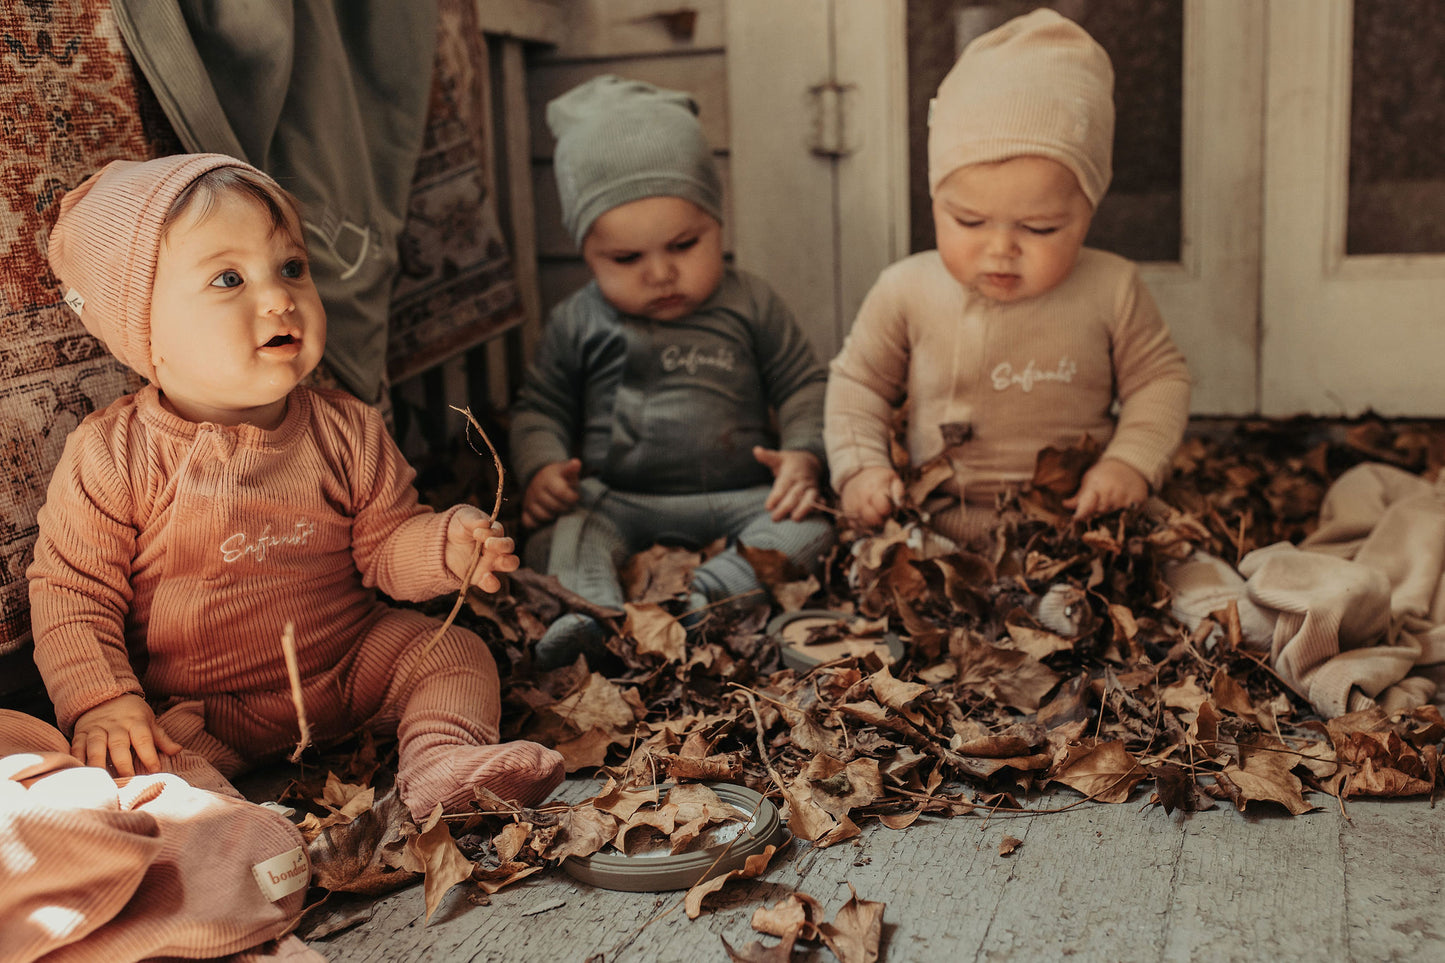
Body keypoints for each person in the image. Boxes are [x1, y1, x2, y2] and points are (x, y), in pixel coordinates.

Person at [30, 153, 565, 822]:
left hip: (347, 665)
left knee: (451, 650)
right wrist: (102, 697)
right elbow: (73, 593)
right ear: (144, 332)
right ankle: (230, 828)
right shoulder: (113, 455)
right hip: (203, 707)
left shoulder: (345, 428)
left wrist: (442, 547)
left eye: (291, 268)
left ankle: (439, 764)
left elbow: (384, 546)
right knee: (141, 760)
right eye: (229, 278)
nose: (280, 297)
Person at [825, 9, 1191, 549]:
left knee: (1166, 553)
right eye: (968, 221)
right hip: (937, 516)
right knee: (879, 559)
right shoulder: (906, 289)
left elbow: (1159, 381)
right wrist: (860, 469)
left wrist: (1128, 464)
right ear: (935, 202)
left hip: (1074, 516)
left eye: (1039, 227)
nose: (1000, 250)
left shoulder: (1111, 288)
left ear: (1088, 211)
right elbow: (859, 384)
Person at [511, 75, 834, 669]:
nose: (660, 273)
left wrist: (803, 454)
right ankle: (592, 617)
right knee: (557, 534)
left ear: (718, 223)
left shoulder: (751, 303)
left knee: (809, 525)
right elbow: (541, 405)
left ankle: (708, 597)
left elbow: (802, 383)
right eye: (627, 258)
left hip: (742, 496)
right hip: (617, 498)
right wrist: (542, 468)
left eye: (684, 245)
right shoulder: (577, 320)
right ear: (586, 252)